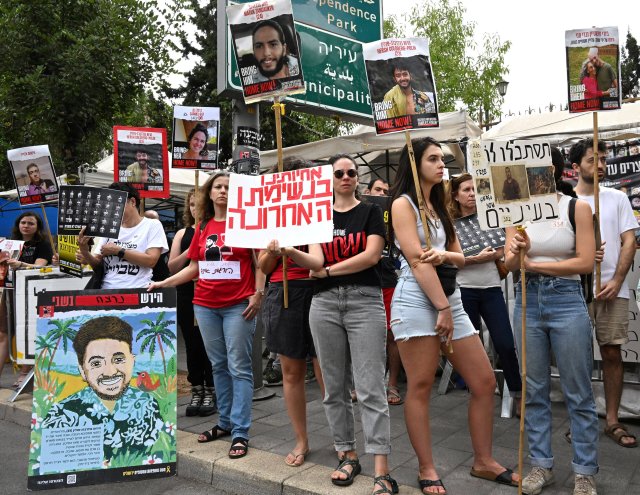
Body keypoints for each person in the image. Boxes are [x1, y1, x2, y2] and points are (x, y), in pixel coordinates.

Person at [390, 137, 518, 494]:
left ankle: (483, 461)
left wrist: (445, 257)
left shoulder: (438, 207)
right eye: (433, 159)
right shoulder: (403, 205)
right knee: (420, 386)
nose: (441, 164)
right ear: (414, 164)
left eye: (442, 159)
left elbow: (458, 258)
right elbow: (416, 262)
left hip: (450, 297)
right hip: (417, 302)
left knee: (484, 382)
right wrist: (443, 307)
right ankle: (427, 468)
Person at [148, 172, 265, 460]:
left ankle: (240, 430)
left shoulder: (245, 223)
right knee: (219, 365)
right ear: (209, 193)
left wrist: (259, 292)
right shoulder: (202, 226)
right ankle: (224, 422)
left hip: (239, 304)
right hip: (205, 305)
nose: (223, 191)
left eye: (228, 187)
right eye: (218, 187)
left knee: (239, 366)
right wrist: (165, 282)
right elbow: (194, 267)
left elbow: (260, 262)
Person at [301, 154, 397, 495]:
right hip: (324, 303)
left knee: (371, 387)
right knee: (334, 389)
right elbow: (314, 259)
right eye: (338, 172)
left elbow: (371, 256)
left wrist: (327, 271)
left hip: (363, 299)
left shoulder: (371, 211)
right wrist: (288, 251)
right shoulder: (317, 214)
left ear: (358, 178)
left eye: (351, 172)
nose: (345, 177)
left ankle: (382, 470)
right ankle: (347, 454)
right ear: (329, 178)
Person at [506, 144, 599, 495]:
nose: (535, 174)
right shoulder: (514, 211)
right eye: (528, 168)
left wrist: (536, 264)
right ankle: (540, 465)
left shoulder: (577, 206)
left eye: (542, 167)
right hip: (527, 300)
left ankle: (585, 471)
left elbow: (585, 263)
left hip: (565, 299)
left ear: (557, 170)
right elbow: (508, 265)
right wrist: (516, 253)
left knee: (578, 390)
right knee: (534, 390)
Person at [258, 160, 326, 468]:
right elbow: (263, 267)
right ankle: (302, 439)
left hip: (320, 292)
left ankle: (343, 440)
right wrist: (273, 251)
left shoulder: (321, 210)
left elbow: (319, 260)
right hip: (283, 294)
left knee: (328, 369)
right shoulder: (271, 218)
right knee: (291, 372)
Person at [572, 138, 637, 449]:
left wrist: (617, 279)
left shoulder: (617, 199)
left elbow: (629, 241)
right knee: (578, 357)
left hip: (614, 288)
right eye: (591, 160)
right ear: (575, 167)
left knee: (611, 353)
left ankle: (612, 419)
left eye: (602, 159)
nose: (599, 165)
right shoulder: (566, 201)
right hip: (575, 291)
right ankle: (582, 418)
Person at [41, 317, 164, 465]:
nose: (110, 372)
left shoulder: (148, 404)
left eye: (118, 359)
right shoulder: (61, 414)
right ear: (82, 370)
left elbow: (159, 448)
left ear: (132, 361)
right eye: (96, 363)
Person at [448, 173, 522, 414]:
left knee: (505, 343)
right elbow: (448, 260)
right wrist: (473, 259)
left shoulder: (491, 218)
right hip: (464, 290)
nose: (471, 194)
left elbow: (506, 248)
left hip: (491, 288)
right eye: (466, 190)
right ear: (456, 195)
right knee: (474, 348)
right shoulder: (449, 224)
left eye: (474, 190)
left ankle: (517, 395)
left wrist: (496, 254)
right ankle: (480, 394)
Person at [167, 190, 215, 417]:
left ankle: (211, 389)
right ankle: (196, 387)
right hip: (186, 293)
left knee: (210, 344)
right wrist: (190, 249)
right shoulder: (182, 233)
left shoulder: (215, 228)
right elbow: (172, 267)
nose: (196, 209)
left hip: (210, 292)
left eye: (200, 204)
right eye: (192, 205)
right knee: (192, 343)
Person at [77, 183, 168, 289]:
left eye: (117, 204)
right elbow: (97, 265)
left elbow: (151, 261)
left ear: (133, 202)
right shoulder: (109, 227)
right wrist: (85, 252)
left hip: (139, 291)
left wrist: (119, 251)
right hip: (107, 293)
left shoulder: (152, 225)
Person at [0, 212, 54, 388]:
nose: (26, 226)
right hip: (8, 291)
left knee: (27, 332)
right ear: (18, 224)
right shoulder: (9, 243)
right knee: (3, 333)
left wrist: (21, 265)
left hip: (30, 293)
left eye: (31, 223)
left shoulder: (43, 245)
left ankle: (24, 374)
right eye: (23, 222)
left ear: (37, 226)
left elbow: (39, 268)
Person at [364, 178, 403, 406]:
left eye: (386, 191)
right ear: (368, 191)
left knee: (391, 334)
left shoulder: (395, 212)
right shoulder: (357, 210)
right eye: (378, 190)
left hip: (387, 278)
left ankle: (392, 383)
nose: (382, 194)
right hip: (363, 279)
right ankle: (366, 384)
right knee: (365, 335)